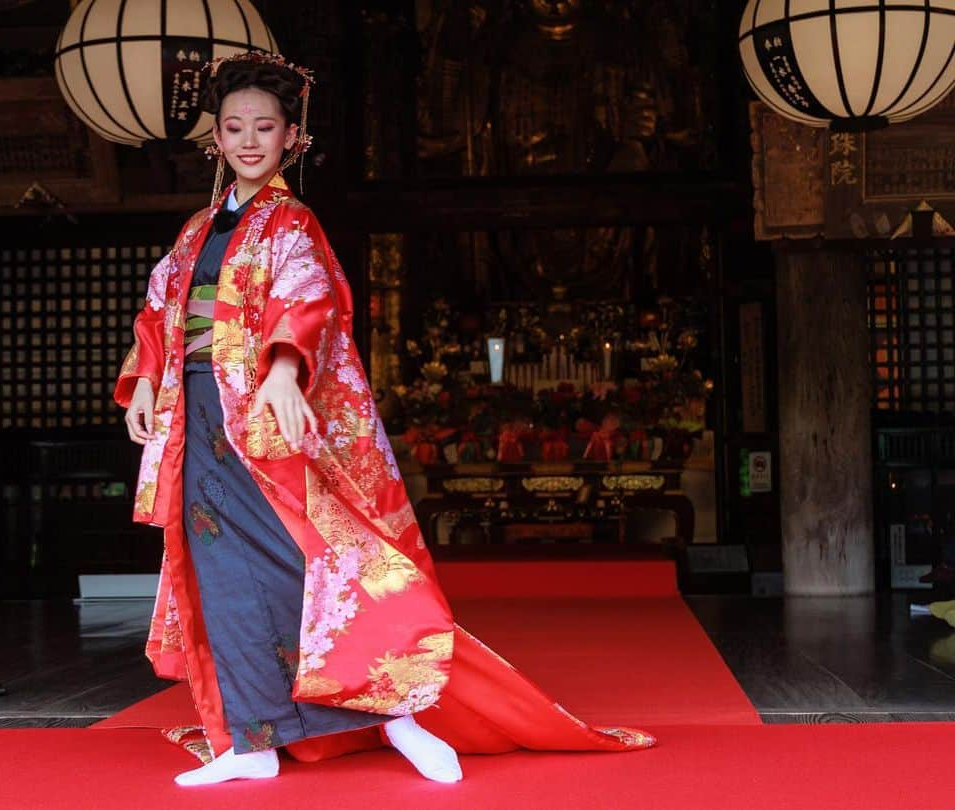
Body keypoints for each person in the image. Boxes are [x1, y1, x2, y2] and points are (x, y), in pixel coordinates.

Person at [115, 50, 654, 787]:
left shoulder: (292, 224)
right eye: (234, 127)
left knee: (315, 567)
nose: (247, 141)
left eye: (264, 128)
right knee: (220, 576)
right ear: (216, 138)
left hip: (265, 420)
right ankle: (253, 740)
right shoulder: (194, 231)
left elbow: (309, 303)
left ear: (290, 139)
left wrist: (280, 369)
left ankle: (398, 717)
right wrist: (145, 380)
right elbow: (158, 312)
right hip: (196, 416)